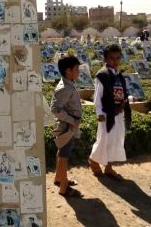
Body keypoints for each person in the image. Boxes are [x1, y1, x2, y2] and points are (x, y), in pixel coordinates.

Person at [89, 44, 132, 181]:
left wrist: (126, 101)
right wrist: (99, 113)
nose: (115, 61)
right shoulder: (102, 75)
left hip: (118, 113)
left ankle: (109, 167)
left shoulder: (119, 75)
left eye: (118, 58)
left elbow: (122, 92)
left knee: (117, 140)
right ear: (105, 59)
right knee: (104, 140)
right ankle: (93, 160)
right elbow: (97, 97)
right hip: (106, 114)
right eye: (112, 58)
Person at [50, 56, 83, 197]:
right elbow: (55, 109)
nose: (79, 72)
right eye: (76, 69)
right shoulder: (64, 88)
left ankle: (59, 178)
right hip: (67, 127)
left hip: (68, 126)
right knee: (64, 156)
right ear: (68, 71)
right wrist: (71, 120)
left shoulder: (69, 83)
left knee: (62, 152)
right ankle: (64, 187)